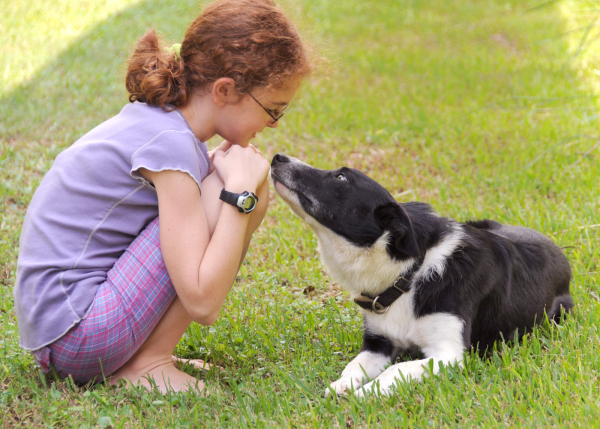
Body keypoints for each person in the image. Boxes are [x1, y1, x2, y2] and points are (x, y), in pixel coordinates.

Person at [13, 0, 312, 394]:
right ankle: (148, 363)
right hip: (78, 334)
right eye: (272, 109)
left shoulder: (164, 128)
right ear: (224, 90)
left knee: (230, 180)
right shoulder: (171, 146)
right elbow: (203, 304)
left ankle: (148, 355)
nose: (273, 123)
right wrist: (239, 196)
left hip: (64, 330)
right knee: (237, 186)